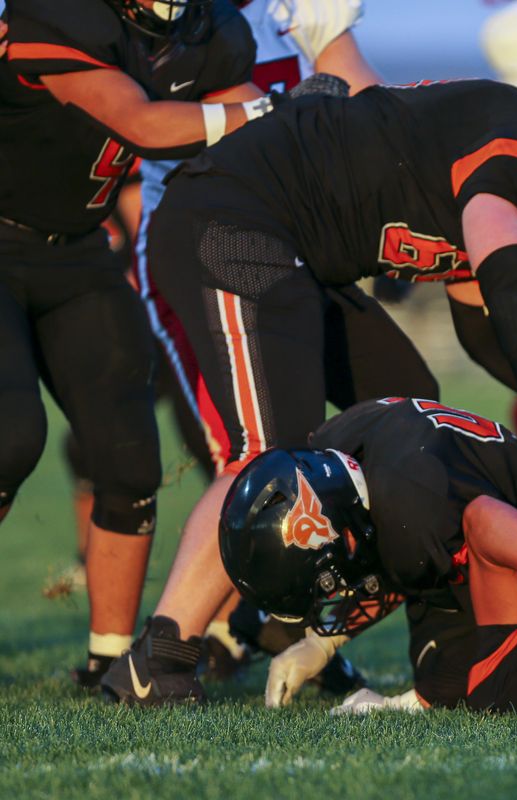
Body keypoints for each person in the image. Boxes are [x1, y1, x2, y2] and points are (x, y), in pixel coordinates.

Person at [98, 64, 517, 703]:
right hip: (232, 220)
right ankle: (157, 657)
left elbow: (485, 327)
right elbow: (513, 295)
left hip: (288, 246)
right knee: (273, 457)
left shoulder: (503, 149)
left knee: (407, 417)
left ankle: (310, 622)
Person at [0, 0, 267, 688]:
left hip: (81, 250)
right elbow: (144, 125)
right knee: (9, 436)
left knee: (127, 454)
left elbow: (251, 115)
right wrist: (266, 111)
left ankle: (106, 656)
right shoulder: (56, 17)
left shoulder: (209, 33)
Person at [121, 0, 383, 682]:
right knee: (250, 458)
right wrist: (284, 109)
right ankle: (170, 649)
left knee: (370, 415)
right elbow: (161, 124)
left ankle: (265, 621)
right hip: (204, 240)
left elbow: (361, 103)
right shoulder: (174, 16)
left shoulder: (298, 8)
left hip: (295, 240)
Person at [204, 397, 517, 710]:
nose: (337, 590)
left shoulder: (412, 517)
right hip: (500, 497)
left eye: (327, 581)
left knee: (472, 681)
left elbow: (482, 540)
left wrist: (411, 701)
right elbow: (371, 532)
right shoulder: (338, 447)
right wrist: (322, 643)